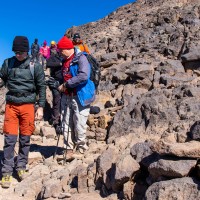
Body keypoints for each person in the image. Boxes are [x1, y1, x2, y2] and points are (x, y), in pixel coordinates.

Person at [0, 36, 46, 188]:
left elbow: (41, 87)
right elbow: (2, 79)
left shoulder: (36, 66)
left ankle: (21, 167)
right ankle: (6, 172)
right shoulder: (8, 63)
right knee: (9, 139)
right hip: (11, 105)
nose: (18, 55)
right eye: (15, 52)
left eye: (20, 52)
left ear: (27, 51)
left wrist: (40, 106)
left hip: (28, 106)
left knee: (25, 139)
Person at [56, 36, 95, 161]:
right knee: (66, 122)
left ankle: (81, 148)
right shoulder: (65, 60)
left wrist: (66, 84)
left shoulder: (81, 58)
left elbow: (83, 75)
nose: (60, 53)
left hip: (80, 95)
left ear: (67, 48)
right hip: (67, 96)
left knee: (79, 123)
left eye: (61, 50)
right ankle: (68, 149)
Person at [46, 40, 62, 133]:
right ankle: (56, 121)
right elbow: (48, 63)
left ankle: (62, 119)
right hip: (54, 82)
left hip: (64, 83)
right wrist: (59, 64)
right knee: (57, 99)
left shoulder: (65, 58)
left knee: (63, 100)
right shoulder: (53, 57)